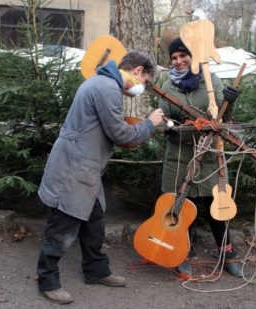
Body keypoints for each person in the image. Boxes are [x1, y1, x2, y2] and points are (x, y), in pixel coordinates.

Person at [37, 51, 164, 304]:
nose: (143, 87)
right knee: (62, 226)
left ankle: (96, 271)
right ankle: (47, 281)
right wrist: (150, 124)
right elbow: (121, 135)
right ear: (137, 71)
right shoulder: (107, 88)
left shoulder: (101, 82)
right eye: (145, 81)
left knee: (94, 222)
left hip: (86, 167)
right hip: (75, 168)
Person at [158, 38, 241, 278]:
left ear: (194, 57)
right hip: (180, 154)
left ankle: (228, 253)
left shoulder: (211, 80)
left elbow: (222, 117)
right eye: (174, 57)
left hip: (210, 155)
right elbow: (163, 117)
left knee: (217, 207)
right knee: (183, 205)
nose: (179, 61)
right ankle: (183, 253)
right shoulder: (167, 85)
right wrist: (170, 127)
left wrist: (230, 102)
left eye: (183, 55)